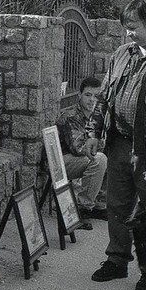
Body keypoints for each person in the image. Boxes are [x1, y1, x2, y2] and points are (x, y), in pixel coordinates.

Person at [86, 0, 146, 290]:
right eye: (126, 28)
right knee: (117, 206)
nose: (129, 34)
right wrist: (93, 132)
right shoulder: (121, 55)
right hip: (120, 144)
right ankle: (117, 260)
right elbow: (104, 96)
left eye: (133, 27)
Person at [56, 77, 108, 231]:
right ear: (79, 95)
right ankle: (81, 208)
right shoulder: (71, 116)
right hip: (62, 162)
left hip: (78, 159)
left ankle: (98, 204)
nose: (92, 100)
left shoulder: (98, 116)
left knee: (113, 154)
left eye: (96, 96)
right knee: (100, 159)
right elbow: (79, 148)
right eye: (88, 95)